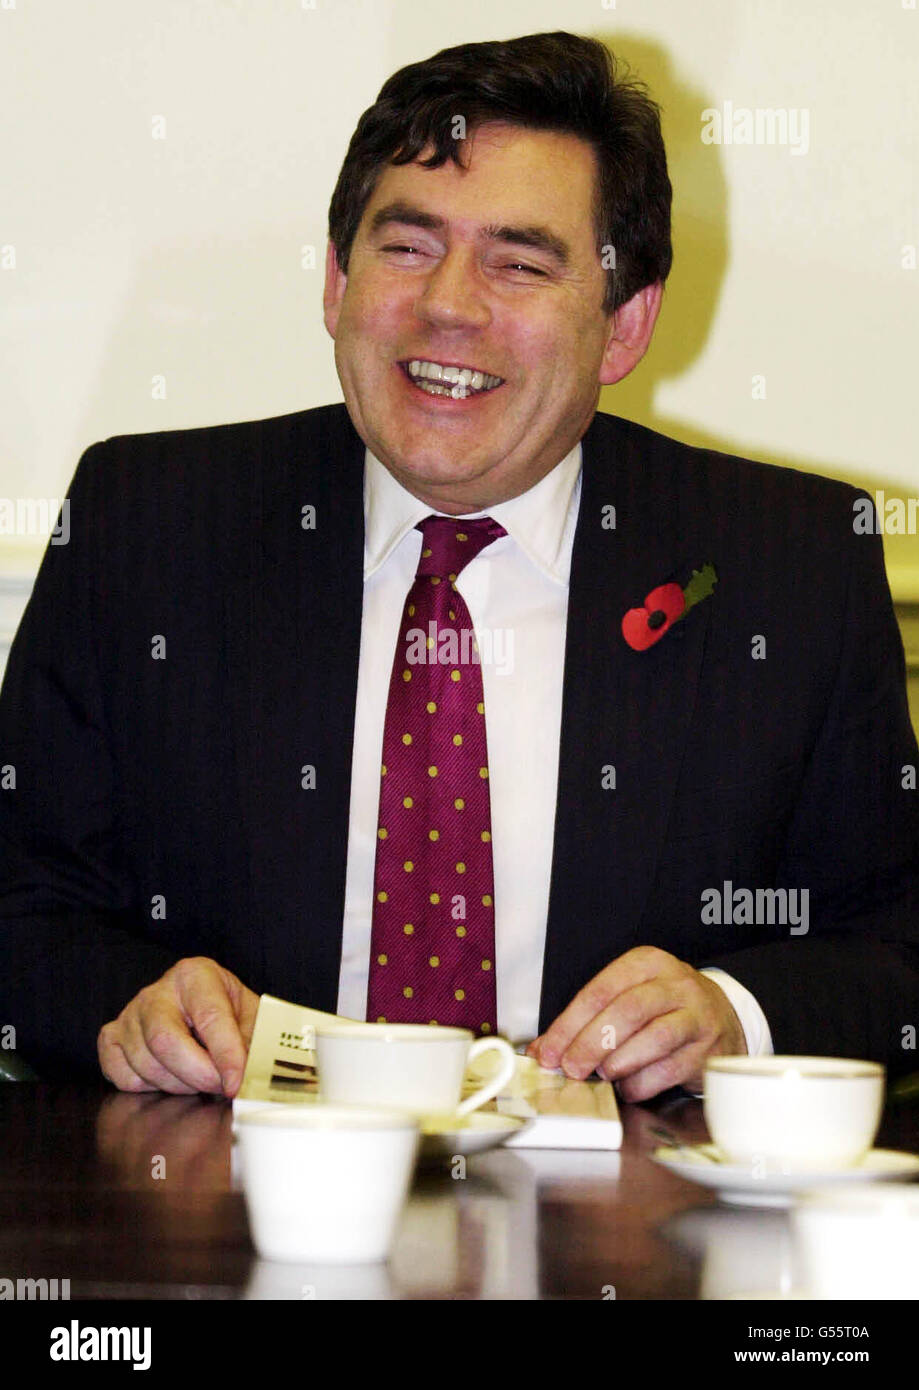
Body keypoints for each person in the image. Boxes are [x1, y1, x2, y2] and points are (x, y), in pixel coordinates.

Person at [1, 31, 916, 1102]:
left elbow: (895, 942)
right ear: (337, 279)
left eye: (519, 264)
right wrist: (131, 1004)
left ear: (623, 327)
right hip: (228, 1209)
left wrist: (734, 1015)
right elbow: (22, 905)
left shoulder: (786, 564)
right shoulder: (146, 524)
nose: (449, 304)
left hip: (626, 1231)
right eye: (405, 247)